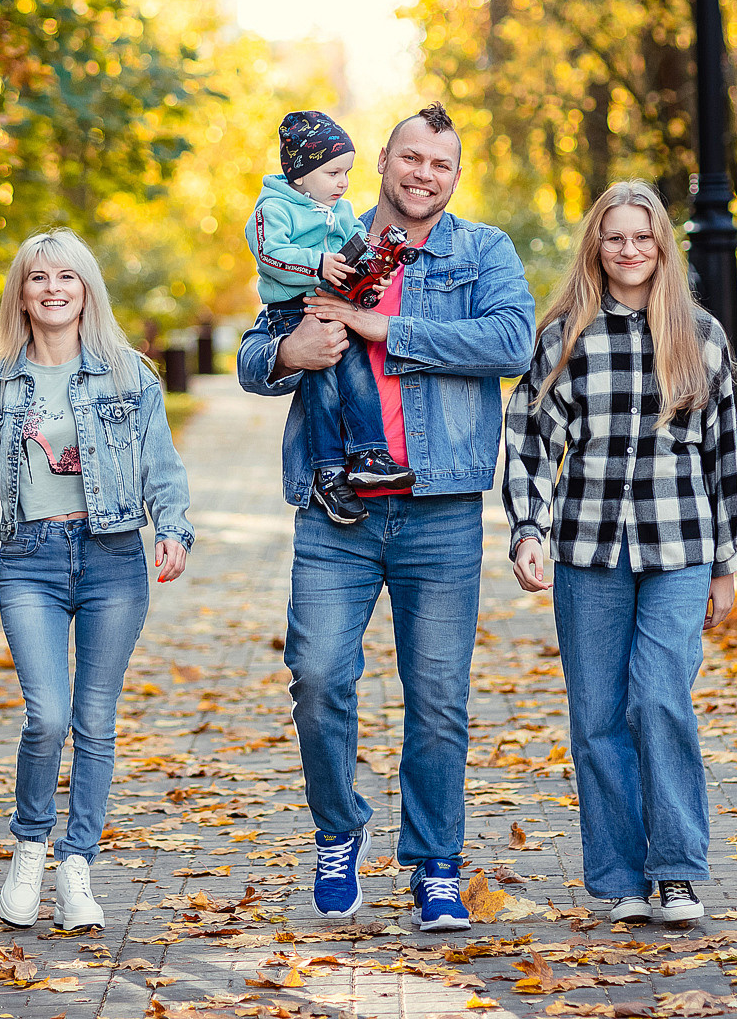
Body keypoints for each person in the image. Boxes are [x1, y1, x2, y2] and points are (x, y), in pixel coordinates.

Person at [239, 102, 535, 932]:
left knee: (438, 696)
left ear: (456, 174)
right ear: (382, 159)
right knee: (320, 679)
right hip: (336, 514)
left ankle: (436, 864)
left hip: (439, 509)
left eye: (441, 164)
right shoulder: (328, 238)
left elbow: (512, 341)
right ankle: (339, 832)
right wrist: (285, 356)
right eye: (411, 157)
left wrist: (384, 325)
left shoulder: (482, 251)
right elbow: (252, 352)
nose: (424, 174)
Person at [501, 181, 737, 928]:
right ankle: (618, 877)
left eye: (642, 237)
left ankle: (675, 868)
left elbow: (726, 455)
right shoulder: (564, 335)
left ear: (662, 244)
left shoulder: (700, 335)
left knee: (660, 697)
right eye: (615, 237)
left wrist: (728, 564)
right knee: (599, 713)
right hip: (588, 549)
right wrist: (528, 529)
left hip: (680, 546)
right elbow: (530, 437)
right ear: (597, 246)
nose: (629, 249)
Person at [0, 228, 193, 931]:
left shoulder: (128, 372)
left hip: (113, 556)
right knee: (47, 715)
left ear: (87, 290)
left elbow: (161, 465)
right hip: (31, 561)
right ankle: (30, 846)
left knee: (95, 720)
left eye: (67, 277)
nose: (52, 289)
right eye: (37, 278)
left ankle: (76, 867)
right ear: (20, 294)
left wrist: (172, 528)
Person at [246, 109, 416, 524]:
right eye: (333, 173)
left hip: (338, 304)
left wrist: (369, 275)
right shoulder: (274, 208)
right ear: (301, 174)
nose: (343, 183)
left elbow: (354, 251)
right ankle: (327, 471)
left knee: (359, 377)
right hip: (294, 313)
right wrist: (318, 263)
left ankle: (370, 454)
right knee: (320, 386)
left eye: (347, 173)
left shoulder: (341, 211)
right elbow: (268, 254)